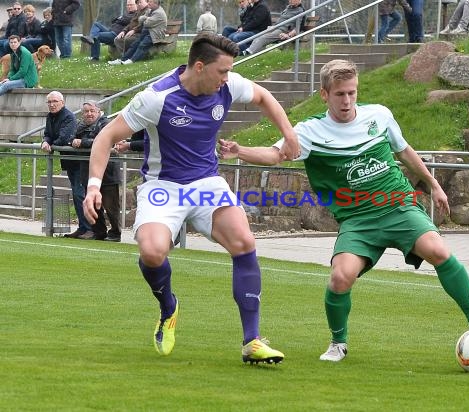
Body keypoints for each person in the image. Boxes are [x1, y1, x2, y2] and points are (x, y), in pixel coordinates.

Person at [218, 59, 469, 362]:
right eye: (340, 94)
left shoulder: (379, 115)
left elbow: (404, 150)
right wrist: (239, 151)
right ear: (325, 95)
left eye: (352, 92)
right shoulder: (309, 131)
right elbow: (275, 155)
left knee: (437, 250)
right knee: (340, 277)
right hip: (357, 219)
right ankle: (338, 343)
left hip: (398, 205)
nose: (347, 100)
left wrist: (433, 185)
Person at [83, 33, 300, 363]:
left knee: (243, 240)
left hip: (206, 183)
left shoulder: (226, 85)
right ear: (200, 67)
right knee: (153, 252)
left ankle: (252, 341)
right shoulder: (156, 98)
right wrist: (94, 185)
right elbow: (106, 136)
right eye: (222, 72)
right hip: (163, 186)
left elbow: (263, 96)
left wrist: (289, 133)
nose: (227, 79)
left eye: (229, 72)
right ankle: (168, 307)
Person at [41, 91, 94, 240]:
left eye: (55, 101)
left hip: (78, 163)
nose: (52, 104)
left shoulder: (68, 116)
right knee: (77, 195)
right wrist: (45, 141)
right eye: (49, 102)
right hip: (69, 162)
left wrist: (51, 144)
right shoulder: (50, 117)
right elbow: (48, 133)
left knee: (80, 194)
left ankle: (89, 228)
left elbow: (65, 137)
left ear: (62, 102)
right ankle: (83, 227)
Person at [72, 101, 122, 242]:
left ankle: (115, 233)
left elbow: (105, 141)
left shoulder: (107, 124)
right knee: (93, 205)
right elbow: (70, 138)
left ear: (99, 111)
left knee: (111, 205)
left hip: (108, 172)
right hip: (87, 172)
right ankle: (99, 232)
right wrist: (75, 141)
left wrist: (82, 142)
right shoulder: (80, 126)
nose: (89, 114)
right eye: (86, 111)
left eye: (92, 111)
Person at [108, 0, 166, 65]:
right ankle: (122, 59)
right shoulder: (150, 11)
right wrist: (146, 18)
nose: (148, 3)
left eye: (150, 2)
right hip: (148, 32)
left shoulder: (159, 13)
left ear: (156, 3)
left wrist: (144, 19)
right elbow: (140, 20)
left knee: (142, 45)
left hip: (155, 35)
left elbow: (146, 24)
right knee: (135, 44)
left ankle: (132, 60)